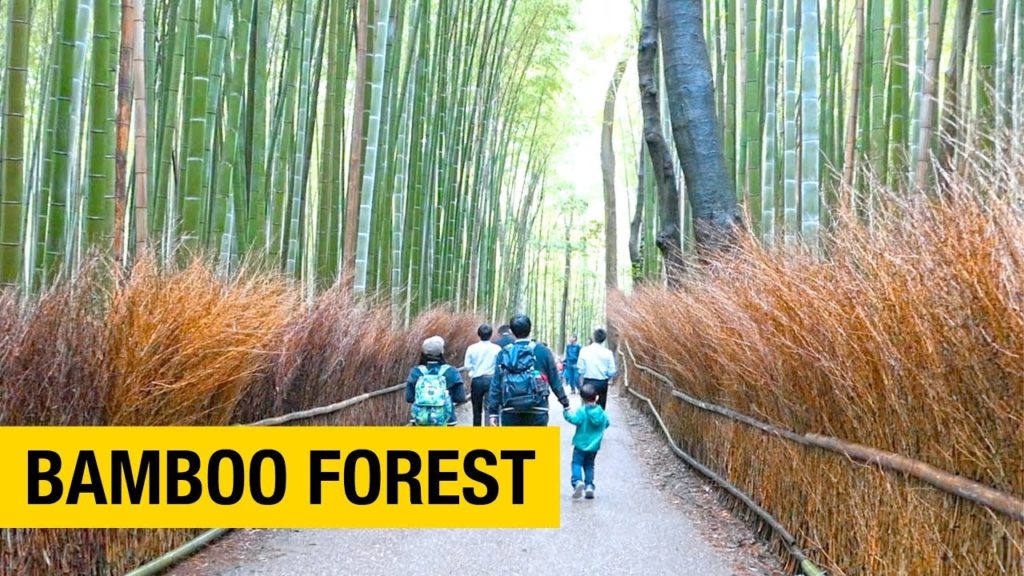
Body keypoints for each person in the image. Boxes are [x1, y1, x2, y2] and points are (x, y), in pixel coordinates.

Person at [487, 314, 570, 426]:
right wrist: (565, 403)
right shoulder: (543, 351)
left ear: (512, 331)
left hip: (510, 409)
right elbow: (555, 380)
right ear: (530, 329)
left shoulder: (504, 353)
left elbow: (496, 384)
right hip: (538, 408)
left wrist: (493, 412)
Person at [405, 336, 467, 426]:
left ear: (423, 353)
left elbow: (409, 398)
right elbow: (460, 397)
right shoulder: (451, 371)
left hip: (420, 419)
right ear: (442, 352)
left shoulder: (416, 372)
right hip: (446, 419)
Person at [563, 383, 610, 500]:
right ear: (596, 397)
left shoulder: (582, 411)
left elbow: (574, 420)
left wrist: (566, 412)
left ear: (582, 398)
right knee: (589, 465)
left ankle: (577, 482)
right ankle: (589, 486)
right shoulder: (601, 412)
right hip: (594, 446)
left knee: (576, 463)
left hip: (580, 445)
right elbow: (607, 423)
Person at [460, 323, 502, 427]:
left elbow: (467, 366)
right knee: (489, 408)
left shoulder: (471, 348)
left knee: (476, 409)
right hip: (491, 380)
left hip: (477, 380)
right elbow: (500, 365)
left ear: (479, 334)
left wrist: (473, 370)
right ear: (491, 335)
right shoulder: (497, 348)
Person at [577, 328, 617, 411]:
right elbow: (612, 371)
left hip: (588, 382)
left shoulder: (584, 350)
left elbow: (580, 369)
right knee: (600, 408)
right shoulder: (608, 353)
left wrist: (581, 382)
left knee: (586, 408)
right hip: (602, 383)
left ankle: (587, 419)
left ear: (593, 337)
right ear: (604, 339)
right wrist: (607, 377)